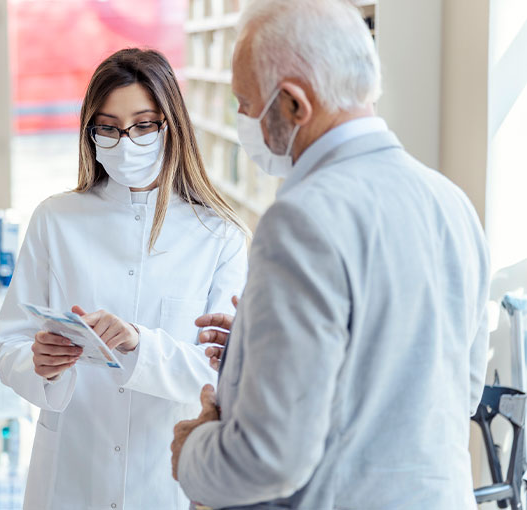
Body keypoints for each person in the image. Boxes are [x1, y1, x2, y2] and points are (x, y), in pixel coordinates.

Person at [170, 1, 491, 509]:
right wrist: (259, 352)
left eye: (246, 102)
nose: (243, 119)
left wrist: (192, 450)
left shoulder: (301, 218)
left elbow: (269, 458)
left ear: (295, 104)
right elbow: (449, 387)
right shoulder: (450, 201)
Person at [0, 48, 249, 509]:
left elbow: (223, 373)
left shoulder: (219, 236)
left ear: (171, 126)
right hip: (71, 476)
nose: (124, 141)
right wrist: (41, 364)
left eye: (143, 125)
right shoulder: (56, 219)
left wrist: (139, 346)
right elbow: (9, 341)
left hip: (165, 480)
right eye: (107, 127)